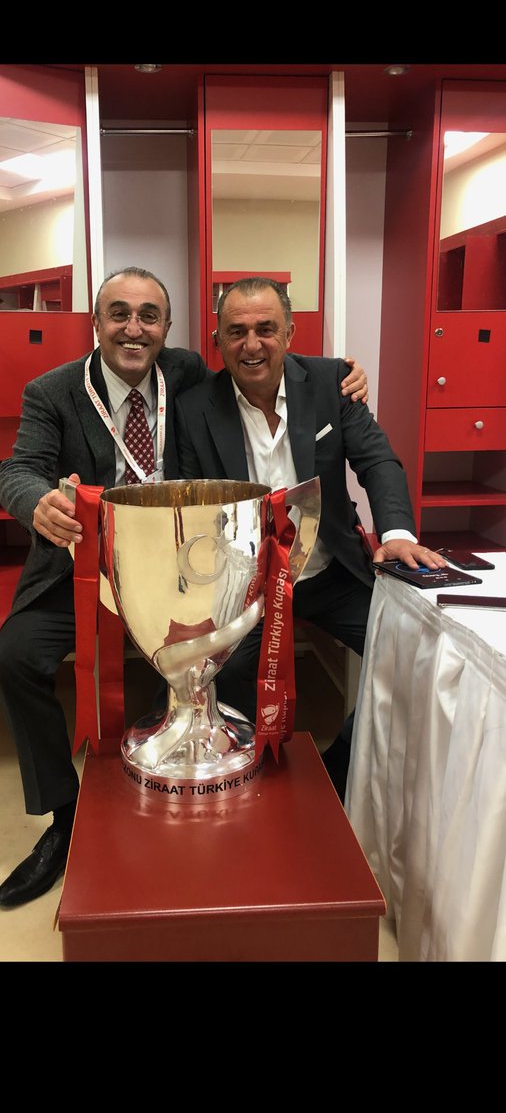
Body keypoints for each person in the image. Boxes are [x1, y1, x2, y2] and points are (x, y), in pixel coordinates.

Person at [0, 264, 370, 909]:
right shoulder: (52, 392)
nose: (133, 330)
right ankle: (63, 819)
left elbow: (267, 362)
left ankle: (242, 790)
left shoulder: (187, 372)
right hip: (88, 570)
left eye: (149, 316)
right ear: (95, 323)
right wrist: (37, 502)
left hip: (187, 571)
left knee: (236, 659)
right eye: (119, 314)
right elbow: (18, 470)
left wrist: (341, 375)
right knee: (11, 661)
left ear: (167, 328)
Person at [174, 276, 446, 801]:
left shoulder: (332, 382)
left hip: (328, 570)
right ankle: (253, 780)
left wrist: (396, 532)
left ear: (290, 333)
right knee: (228, 673)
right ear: (217, 339)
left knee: (408, 650)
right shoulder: (194, 407)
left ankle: (336, 773)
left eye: (266, 328)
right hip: (246, 583)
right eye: (236, 331)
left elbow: (376, 460)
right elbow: (190, 503)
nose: (252, 344)